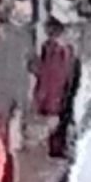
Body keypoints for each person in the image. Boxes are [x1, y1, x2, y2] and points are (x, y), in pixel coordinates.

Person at [32, 17, 81, 158]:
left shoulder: (58, 51)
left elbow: (53, 79)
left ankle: (57, 146)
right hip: (53, 104)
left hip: (53, 104)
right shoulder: (60, 50)